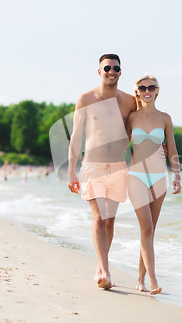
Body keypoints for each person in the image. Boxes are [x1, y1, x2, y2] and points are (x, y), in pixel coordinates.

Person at [67, 54, 138, 289]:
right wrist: (71, 171)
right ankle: (106, 273)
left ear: (120, 72)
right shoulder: (86, 98)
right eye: (107, 67)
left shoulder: (129, 101)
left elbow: (139, 129)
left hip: (118, 167)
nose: (112, 71)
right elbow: (76, 136)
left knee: (110, 222)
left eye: (116, 68)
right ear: (100, 71)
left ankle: (100, 266)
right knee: (99, 218)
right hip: (93, 165)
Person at [126, 74, 181, 295]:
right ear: (137, 91)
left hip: (160, 178)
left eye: (151, 87)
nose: (147, 90)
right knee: (146, 228)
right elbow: (120, 143)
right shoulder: (131, 118)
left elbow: (173, 148)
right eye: (142, 88)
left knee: (149, 231)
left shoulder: (165, 118)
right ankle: (154, 281)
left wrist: (177, 175)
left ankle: (140, 279)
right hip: (136, 176)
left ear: (157, 91)